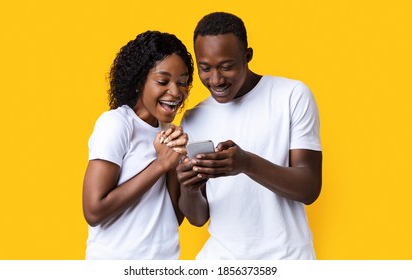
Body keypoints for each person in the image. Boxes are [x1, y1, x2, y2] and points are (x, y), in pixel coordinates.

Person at [176, 12, 322, 259]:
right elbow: (198, 219)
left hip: (287, 259)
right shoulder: (193, 118)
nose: (216, 79)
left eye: (226, 66)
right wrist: (188, 188)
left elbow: (309, 188)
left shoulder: (291, 96)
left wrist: (246, 164)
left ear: (247, 56)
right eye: (205, 68)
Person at [82, 30, 194, 259]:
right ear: (138, 80)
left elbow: (172, 216)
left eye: (182, 83)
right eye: (163, 81)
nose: (175, 92)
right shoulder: (117, 124)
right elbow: (93, 211)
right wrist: (160, 165)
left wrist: (177, 167)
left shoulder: (169, 133)